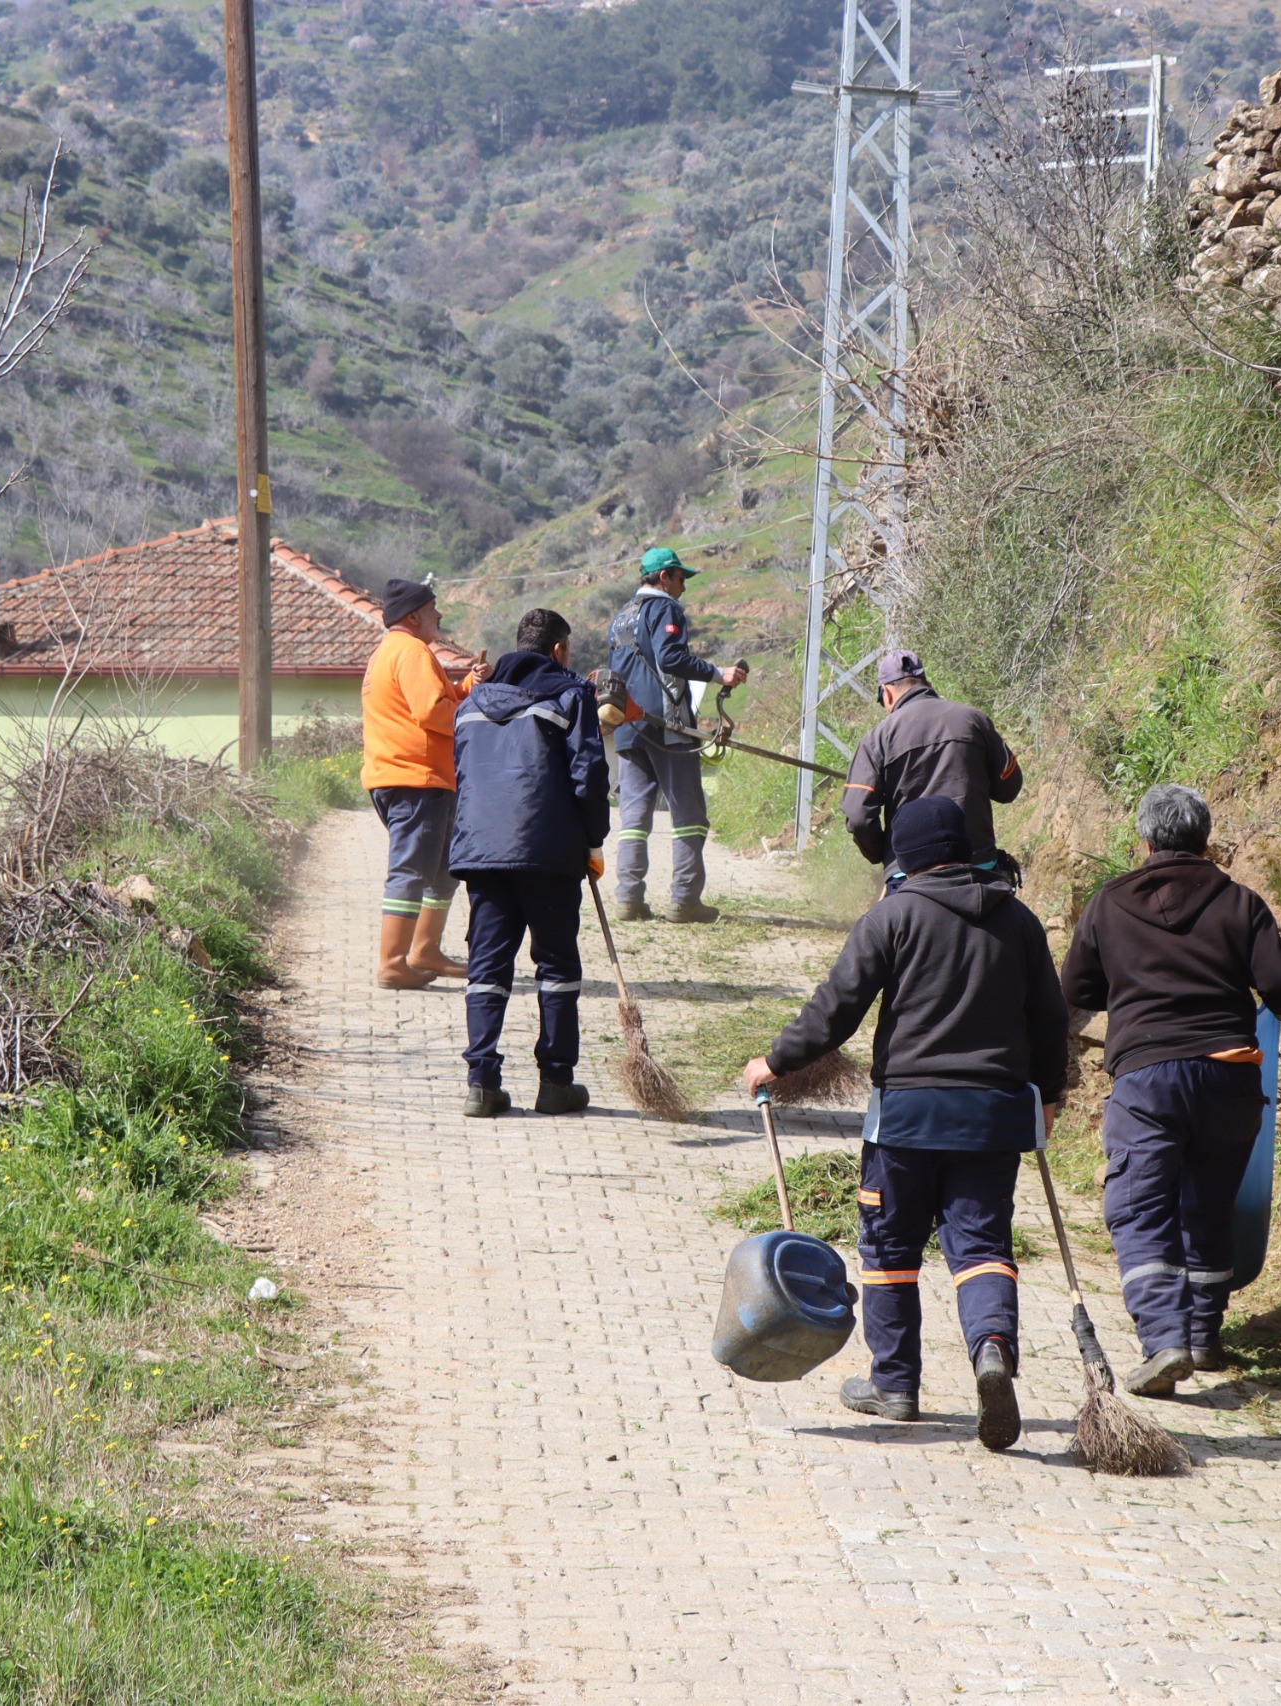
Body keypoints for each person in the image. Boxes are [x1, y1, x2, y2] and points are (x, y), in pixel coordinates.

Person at [741, 796, 1067, 1453]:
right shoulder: (1019, 921)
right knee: (981, 1246)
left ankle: (893, 1385)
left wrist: (775, 1061)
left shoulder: (891, 917)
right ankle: (991, 1348)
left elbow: (836, 1008)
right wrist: (1049, 1095)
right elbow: (1049, 1019)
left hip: (906, 1119)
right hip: (992, 1118)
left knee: (890, 1249)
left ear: (907, 858)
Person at [1058, 783, 1281, 1396]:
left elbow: (1076, 990)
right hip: (1230, 1075)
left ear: (1144, 842)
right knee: (1208, 1203)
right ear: (1205, 842)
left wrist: (1130, 988)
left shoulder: (1108, 903)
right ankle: (1200, 1336)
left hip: (1148, 1078)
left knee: (1140, 1205)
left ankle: (1165, 1339)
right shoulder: (1239, 902)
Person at [449, 608, 610, 1119]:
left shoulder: (471, 703)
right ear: (559, 650)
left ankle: (481, 1085)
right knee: (556, 965)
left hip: (482, 852)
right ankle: (556, 1083)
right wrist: (594, 843)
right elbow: (589, 776)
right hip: (547, 851)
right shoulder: (572, 696)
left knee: (487, 965)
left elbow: (464, 774)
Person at [604, 545, 748, 924]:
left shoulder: (620, 617)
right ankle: (685, 900)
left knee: (633, 818)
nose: (684, 586)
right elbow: (669, 658)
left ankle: (628, 898)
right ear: (664, 577)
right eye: (681, 578)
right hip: (666, 725)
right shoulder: (665, 608)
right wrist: (719, 673)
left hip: (627, 725)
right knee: (689, 813)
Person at [361, 578, 486, 989]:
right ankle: (393, 963)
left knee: (444, 871)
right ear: (413, 616)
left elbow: (438, 700)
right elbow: (433, 712)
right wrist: (479, 719)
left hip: (414, 778)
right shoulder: (412, 651)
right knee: (412, 870)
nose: (440, 614)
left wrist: (470, 687)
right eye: (433, 608)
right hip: (416, 780)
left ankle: (424, 951)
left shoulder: (393, 650)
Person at [841, 651, 1024, 869]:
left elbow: (858, 816)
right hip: (977, 862)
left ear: (887, 693)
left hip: (909, 872)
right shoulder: (975, 720)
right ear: (927, 684)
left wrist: (885, 854)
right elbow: (1009, 787)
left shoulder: (876, 740)